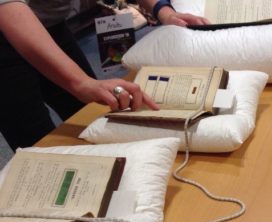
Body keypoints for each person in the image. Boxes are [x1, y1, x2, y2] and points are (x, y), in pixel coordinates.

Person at [0, 0, 208, 151]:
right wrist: (81, 83)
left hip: (48, 24)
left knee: (89, 117)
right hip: (9, 24)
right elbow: (7, 7)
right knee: (36, 143)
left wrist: (163, 11)